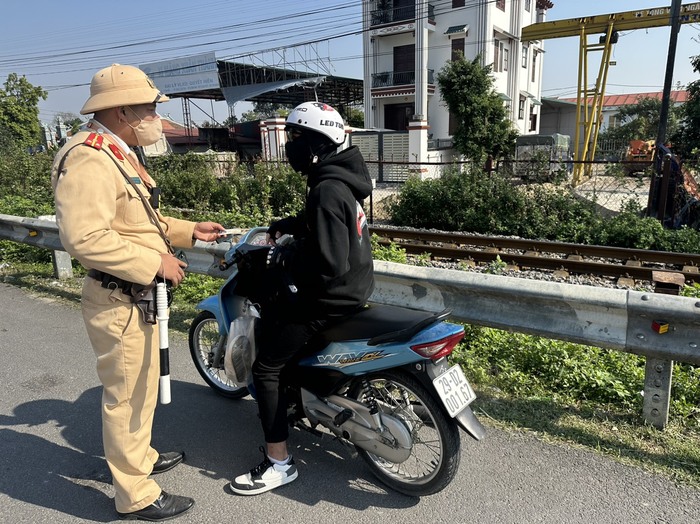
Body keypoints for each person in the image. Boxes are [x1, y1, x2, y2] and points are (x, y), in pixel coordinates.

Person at [51, 63, 225, 521]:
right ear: (122, 110)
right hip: (119, 299)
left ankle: (139, 457)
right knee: (126, 397)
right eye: (149, 107)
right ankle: (136, 494)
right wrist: (155, 262)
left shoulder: (116, 150)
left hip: (135, 298)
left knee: (143, 389)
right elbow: (84, 237)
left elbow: (139, 222)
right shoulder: (89, 156)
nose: (154, 115)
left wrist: (191, 232)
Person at [229, 101, 375, 495]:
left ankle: (279, 463)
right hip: (354, 287)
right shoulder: (336, 178)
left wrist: (283, 255)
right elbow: (323, 227)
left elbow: (328, 260)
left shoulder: (327, 188)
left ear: (315, 140)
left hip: (330, 295)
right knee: (280, 327)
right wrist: (286, 226)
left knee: (266, 368)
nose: (289, 145)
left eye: (294, 137)